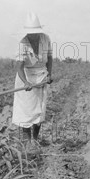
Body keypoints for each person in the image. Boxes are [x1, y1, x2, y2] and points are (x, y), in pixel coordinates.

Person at [12, 12, 53, 148]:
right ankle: (28, 141)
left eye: (35, 32)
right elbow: (19, 66)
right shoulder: (23, 43)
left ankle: (34, 140)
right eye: (31, 32)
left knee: (39, 111)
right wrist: (26, 82)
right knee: (26, 111)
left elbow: (50, 58)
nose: (33, 34)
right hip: (26, 76)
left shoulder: (45, 39)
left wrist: (49, 74)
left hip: (41, 76)